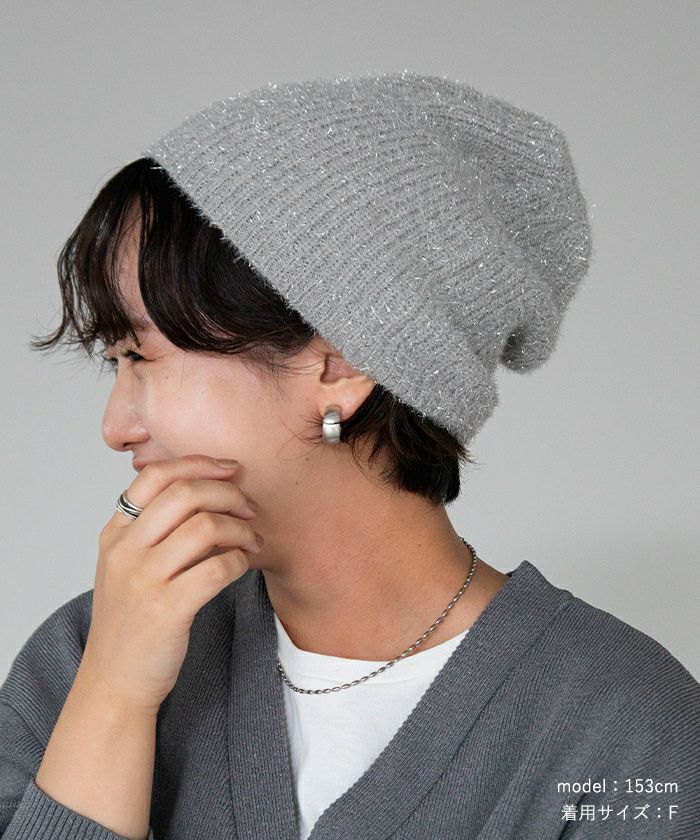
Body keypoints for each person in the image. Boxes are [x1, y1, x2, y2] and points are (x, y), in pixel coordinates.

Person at [0, 71, 698, 840]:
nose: (115, 427)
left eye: (141, 356)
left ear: (338, 366)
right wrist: (114, 696)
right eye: (113, 363)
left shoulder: (628, 731)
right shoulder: (86, 658)